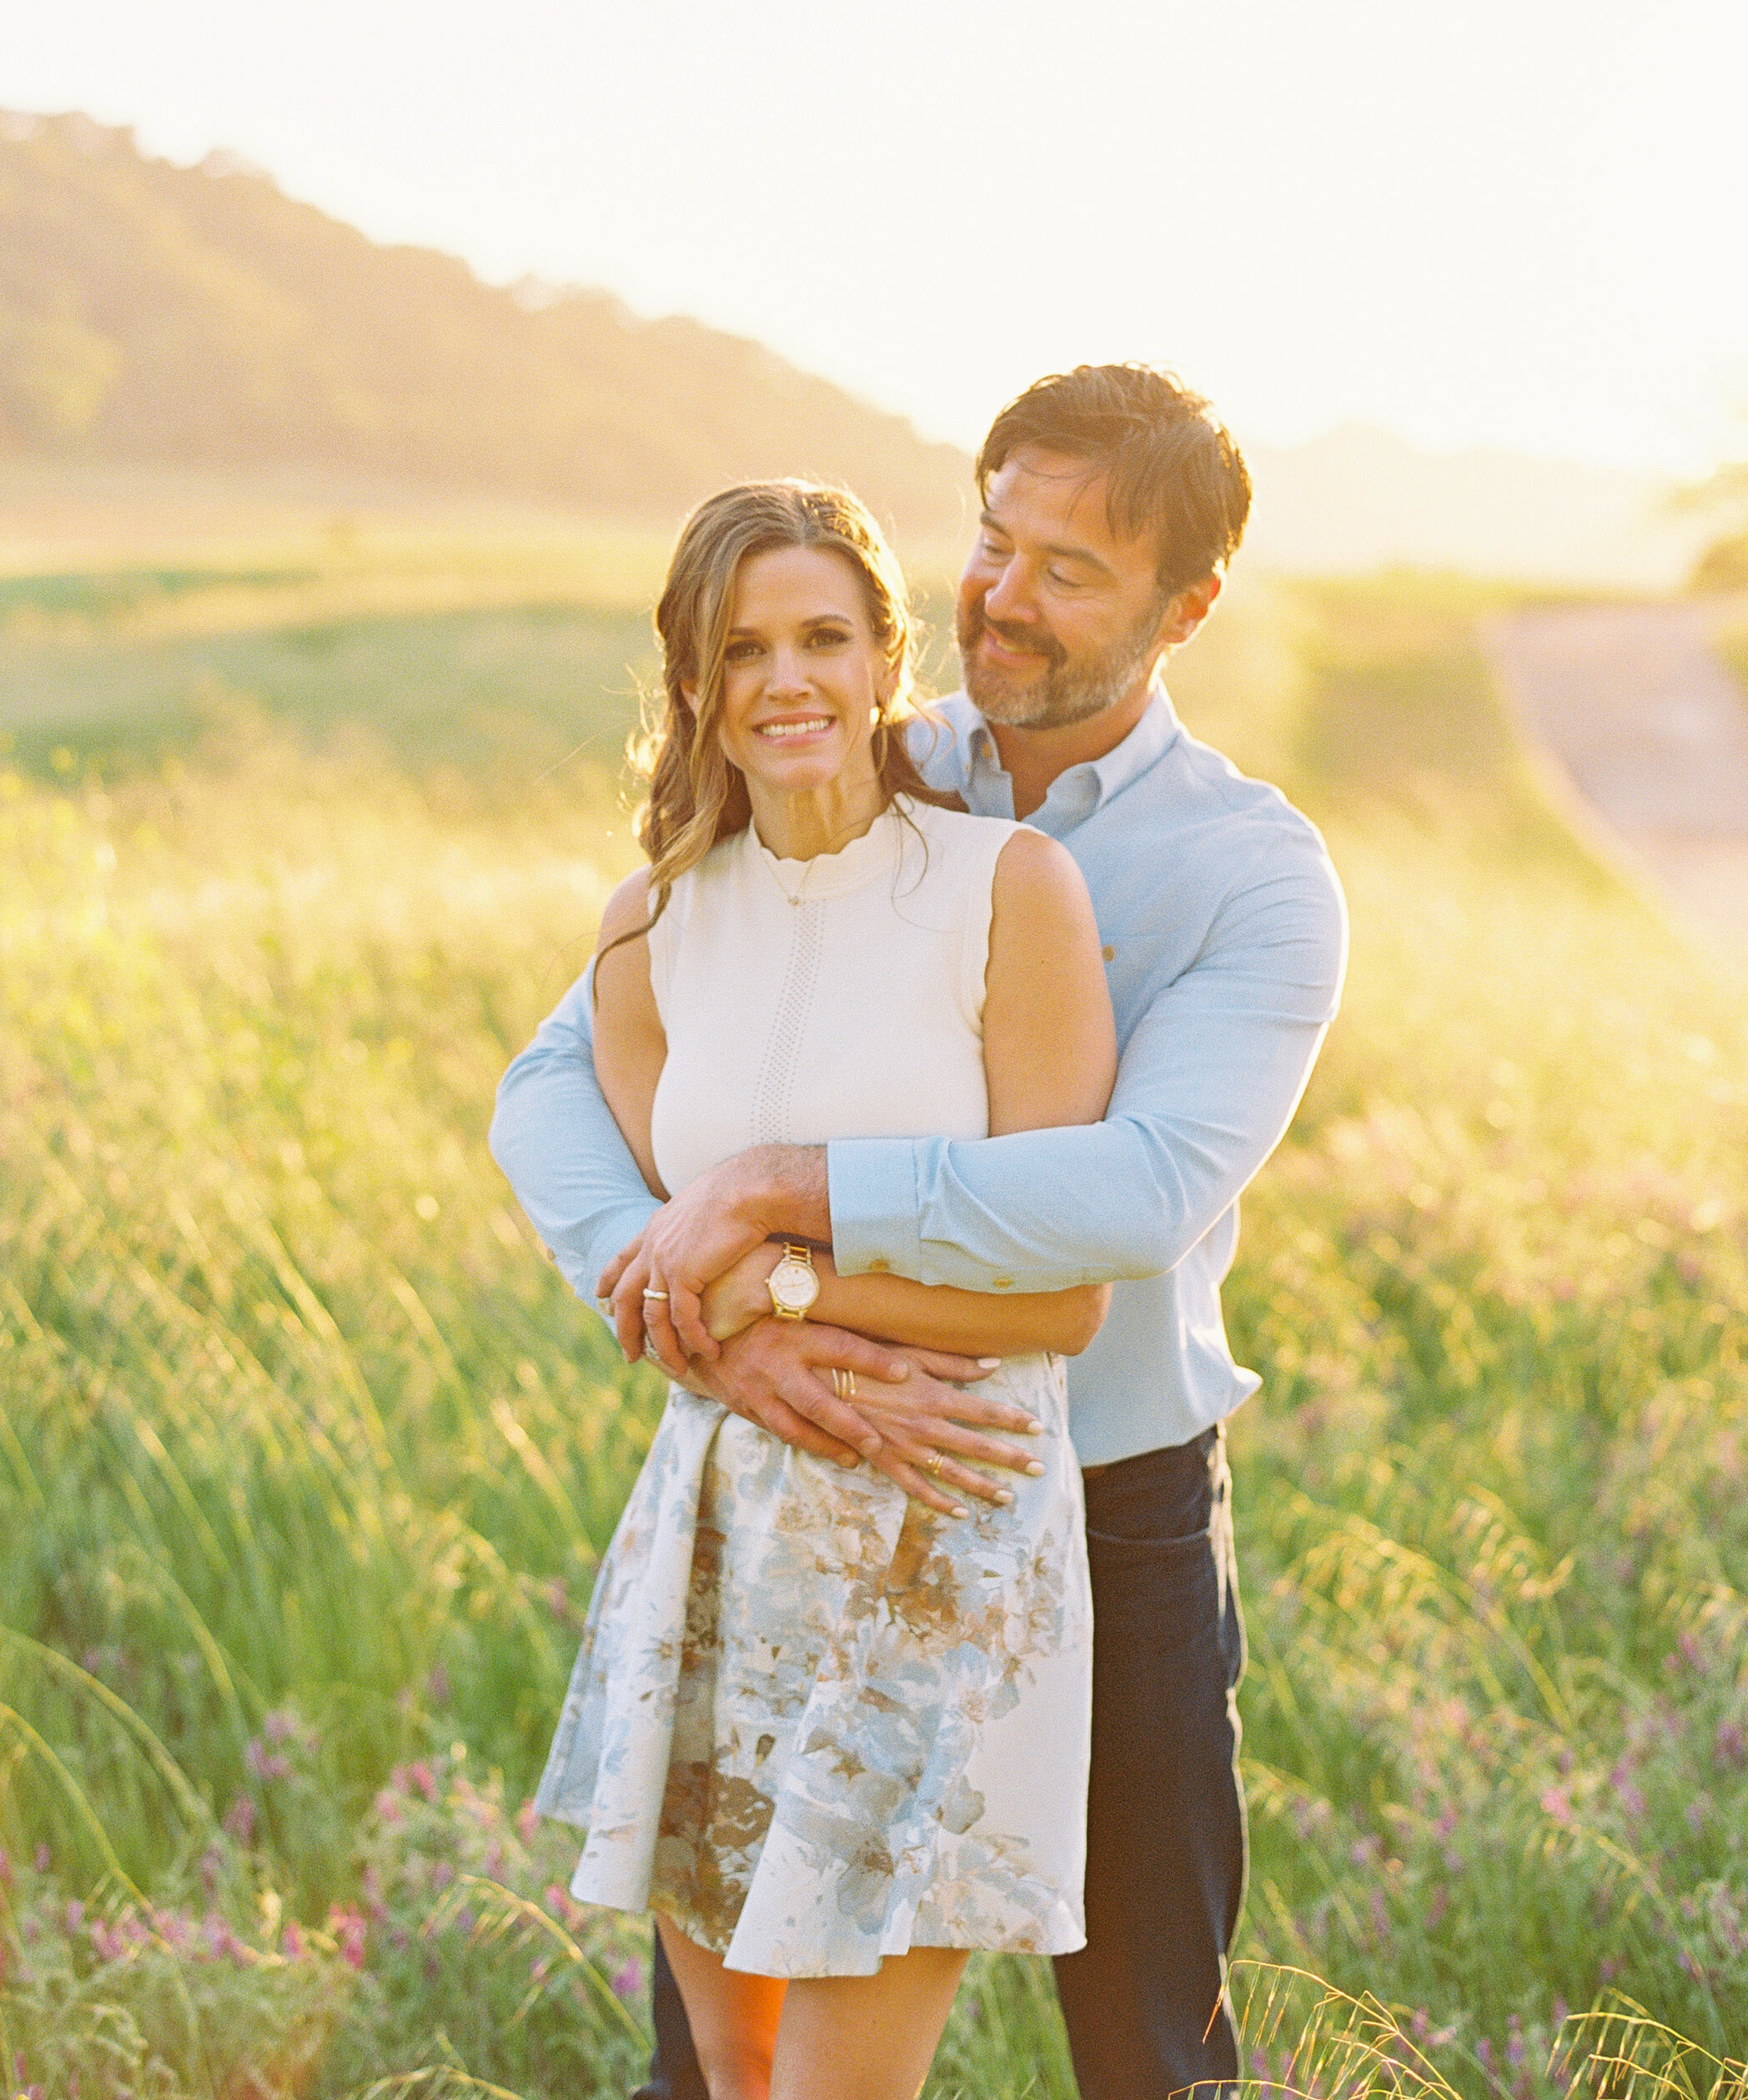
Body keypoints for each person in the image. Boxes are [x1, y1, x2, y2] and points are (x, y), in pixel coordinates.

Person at [495, 364, 1350, 2100]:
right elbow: (552, 1080)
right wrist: (696, 1302)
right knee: (714, 2062)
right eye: (991, 540)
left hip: (1091, 1502)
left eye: (1068, 570)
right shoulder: (855, 759)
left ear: (1185, 608)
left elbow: (1131, 1197)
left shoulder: (1249, 874)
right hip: (773, 1455)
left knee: (1145, 2052)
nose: (1003, 598)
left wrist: (770, 1195)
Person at [531, 477, 1119, 2100]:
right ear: (693, 684)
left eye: (820, 638)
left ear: (883, 659)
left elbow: (1061, 1303)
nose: (784, 682)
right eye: (741, 649)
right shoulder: (648, 929)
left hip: (944, 1518)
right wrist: (734, 1336)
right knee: (736, 2080)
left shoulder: (1005, 891)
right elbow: (658, 1269)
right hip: (719, 1526)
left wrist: (777, 1287)